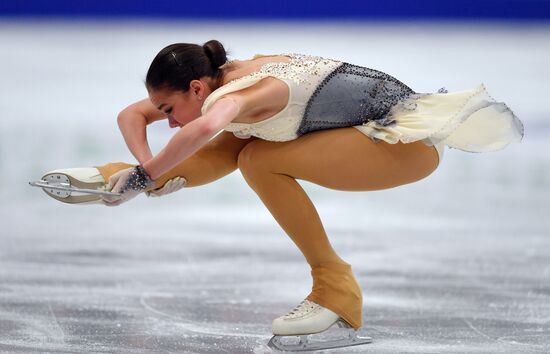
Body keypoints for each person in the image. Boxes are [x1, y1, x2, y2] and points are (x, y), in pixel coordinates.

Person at [38, 39, 524, 350]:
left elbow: (203, 128)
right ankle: (122, 174)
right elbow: (131, 114)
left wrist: (144, 176)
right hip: (368, 130)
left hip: (405, 146)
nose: (166, 118)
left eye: (169, 108)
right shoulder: (213, 78)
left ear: (193, 86)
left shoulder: (239, 95)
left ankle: (337, 290)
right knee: (248, 145)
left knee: (256, 156)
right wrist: (143, 169)